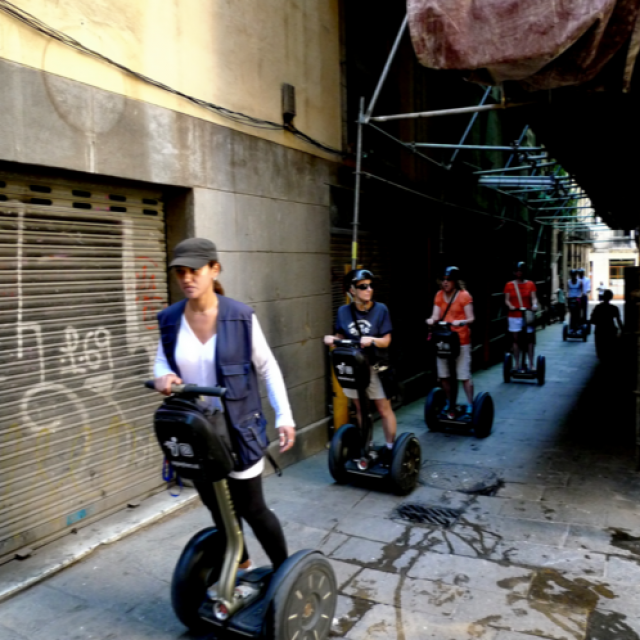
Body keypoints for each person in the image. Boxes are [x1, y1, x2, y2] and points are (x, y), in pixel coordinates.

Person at [154, 237, 295, 573]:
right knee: (216, 506)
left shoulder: (240, 317)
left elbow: (267, 368)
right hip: (196, 431)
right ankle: (242, 562)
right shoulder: (170, 319)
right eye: (181, 272)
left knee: (251, 507)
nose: (187, 278)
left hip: (238, 429)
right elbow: (162, 362)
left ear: (214, 269)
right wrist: (163, 377)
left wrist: (284, 416)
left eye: (195, 270)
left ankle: (286, 575)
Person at [323, 269, 396, 457]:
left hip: (375, 366)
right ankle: (367, 444)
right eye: (363, 286)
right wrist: (333, 339)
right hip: (355, 367)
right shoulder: (343, 311)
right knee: (360, 408)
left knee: (383, 408)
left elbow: (386, 341)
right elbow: (341, 336)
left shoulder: (381, 310)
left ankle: (390, 449)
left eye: (371, 286)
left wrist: (372, 340)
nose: (369, 290)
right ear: (351, 290)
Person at [426, 266, 475, 420]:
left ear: (455, 281)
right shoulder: (439, 296)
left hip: (461, 340)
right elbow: (435, 315)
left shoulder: (464, 296)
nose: (445, 283)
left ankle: (470, 403)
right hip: (444, 340)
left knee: (464, 375)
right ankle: (449, 402)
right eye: (443, 280)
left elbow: (471, 318)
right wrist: (431, 320)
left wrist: (461, 322)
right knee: (444, 376)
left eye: (448, 280)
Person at [504, 262, 539, 371]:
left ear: (524, 272)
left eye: (521, 271)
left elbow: (534, 298)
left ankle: (531, 364)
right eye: (517, 271)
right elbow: (507, 300)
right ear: (515, 272)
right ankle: (517, 364)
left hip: (527, 315)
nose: (519, 273)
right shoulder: (509, 285)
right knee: (515, 339)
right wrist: (511, 306)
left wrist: (534, 305)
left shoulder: (530, 284)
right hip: (514, 315)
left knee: (529, 339)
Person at [589, 289, 623, 360]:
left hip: (600, 331)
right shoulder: (614, 308)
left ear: (603, 297)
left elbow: (592, 320)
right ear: (611, 297)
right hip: (610, 331)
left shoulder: (598, 307)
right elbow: (619, 322)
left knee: (600, 353)